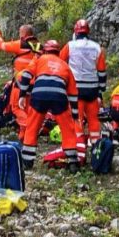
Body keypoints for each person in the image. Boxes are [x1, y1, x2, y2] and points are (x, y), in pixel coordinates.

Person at [17, 39, 80, 172]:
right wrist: (74, 113)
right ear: (58, 52)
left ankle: (27, 162)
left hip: (39, 95)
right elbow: (73, 93)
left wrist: (22, 95)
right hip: (59, 96)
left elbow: (26, 75)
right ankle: (73, 161)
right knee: (67, 129)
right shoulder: (65, 65)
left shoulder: (39, 59)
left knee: (32, 126)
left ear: (45, 50)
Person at [60, 19, 107, 151]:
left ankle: (79, 148)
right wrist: (101, 91)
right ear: (88, 31)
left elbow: (60, 63)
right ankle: (96, 148)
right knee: (94, 120)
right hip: (92, 89)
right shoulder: (97, 47)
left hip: (76, 89)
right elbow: (102, 71)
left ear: (76, 31)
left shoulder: (70, 46)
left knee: (77, 119)